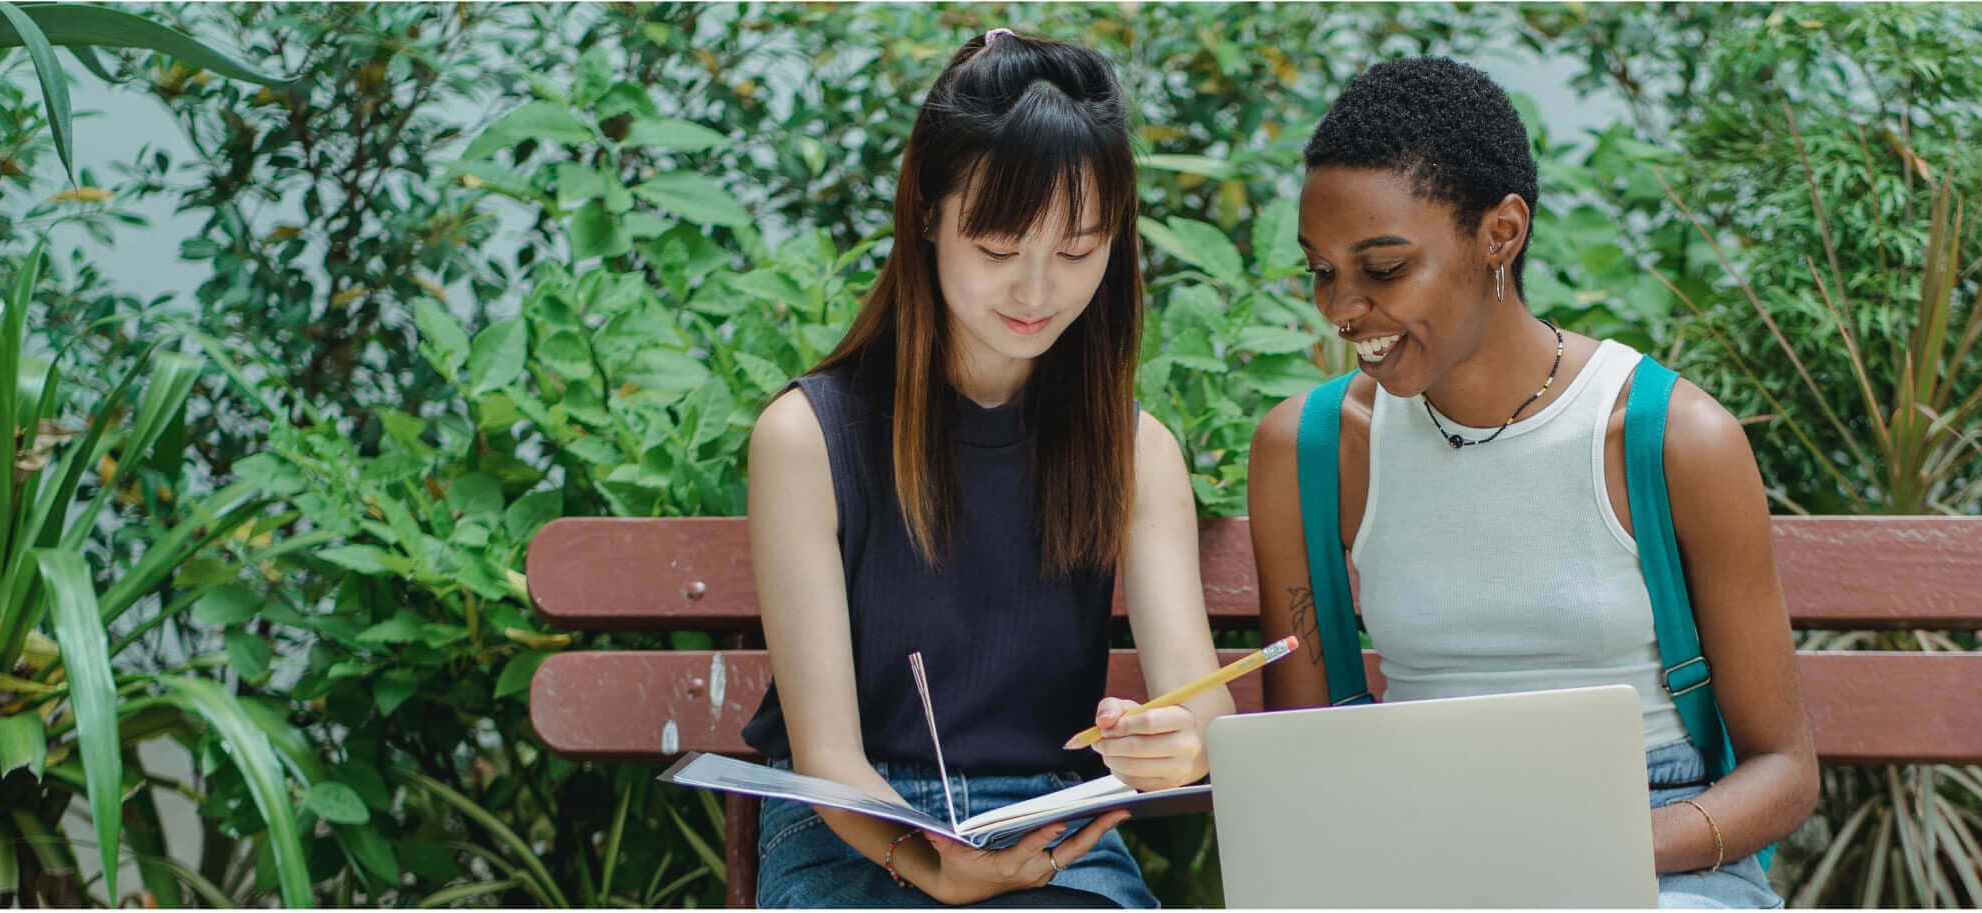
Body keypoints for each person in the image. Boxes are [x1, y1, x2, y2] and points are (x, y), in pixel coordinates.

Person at [1246, 56, 1818, 909]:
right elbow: (1304, 753)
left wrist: (1583, 848)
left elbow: (1783, 770)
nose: (1340, 309)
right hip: (1418, 842)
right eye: (1322, 270)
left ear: (1500, 233)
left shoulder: (1668, 439)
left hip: (1650, 835)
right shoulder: (1315, 448)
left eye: (1384, 268)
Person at [741, 28, 1225, 909]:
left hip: (1053, 837)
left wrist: (1177, 742)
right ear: (927, 213)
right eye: (1000, 248)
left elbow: (1205, 717)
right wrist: (928, 864)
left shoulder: (1135, 451)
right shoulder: (806, 439)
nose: (1037, 292)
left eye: (1078, 250)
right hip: (857, 834)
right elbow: (829, 759)